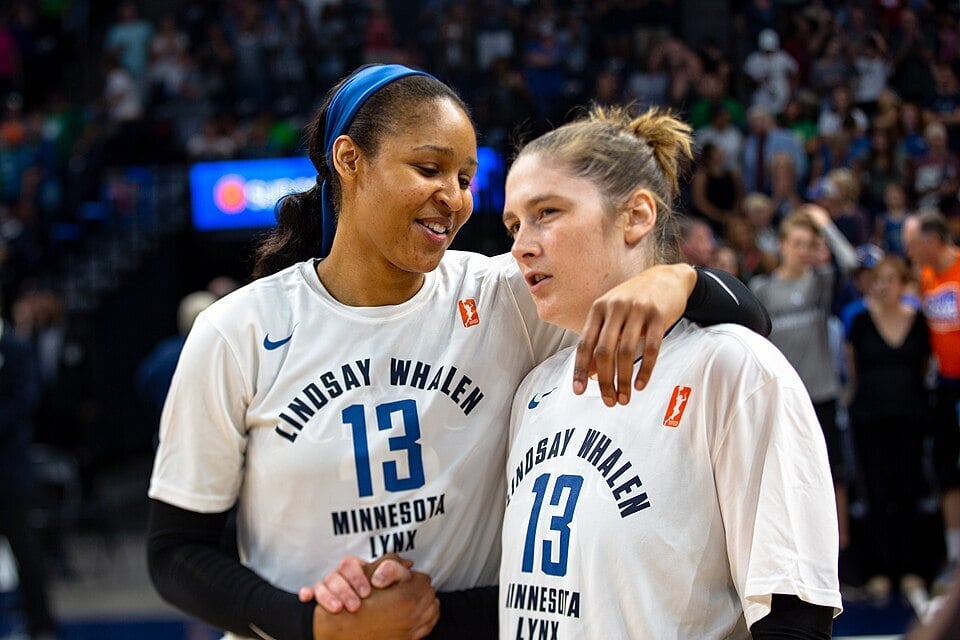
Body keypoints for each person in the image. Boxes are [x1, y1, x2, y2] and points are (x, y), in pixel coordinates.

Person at [146, 64, 771, 640]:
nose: (455, 196)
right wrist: (314, 625)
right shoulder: (238, 330)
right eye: (429, 169)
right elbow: (175, 554)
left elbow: (748, 320)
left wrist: (677, 280)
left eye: (466, 178)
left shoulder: (504, 297)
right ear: (349, 160)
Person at [496, 105, 840, 637]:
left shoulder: (733, 366)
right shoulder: (535, 389)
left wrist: (690, 282)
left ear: (636, 216)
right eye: (514, 224)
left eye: (547, 212)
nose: (521, 246)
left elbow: (795, 615)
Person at [750, 206, 859, 553]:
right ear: (782, 245)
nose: (802, 250)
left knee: (833, 475)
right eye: (796, 243)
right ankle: (795, 549)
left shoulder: (821, 282)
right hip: (783, 399)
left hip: (822, 392)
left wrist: (825, 225)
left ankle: (838, 551)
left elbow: (852, 263)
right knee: (787, 476)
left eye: (808, 244)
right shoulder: (763, 289)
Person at [844, 255, 931, 600]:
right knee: (876, 492)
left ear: (903, 284)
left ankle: (911, 568)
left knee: (908, 488)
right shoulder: (861, 321)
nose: (883, 286)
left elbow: (924, 367)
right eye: (878, 280)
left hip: (910, 414)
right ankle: (879, 569)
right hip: (870, 416)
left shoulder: (918, 320)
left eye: (890, 279)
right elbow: (852, 369)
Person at [903, 210, 960, 595]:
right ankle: (955, 558)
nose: (909, 252)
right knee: (948, 471)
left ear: (932, 240)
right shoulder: (925, 278)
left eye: (913, 245)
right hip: (945, 387)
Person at [0, 295, 59, 640]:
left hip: (10, 471)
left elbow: (25, 401)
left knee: (25, 550)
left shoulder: (15, 349)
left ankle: (41, 623)